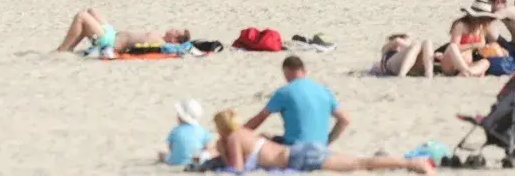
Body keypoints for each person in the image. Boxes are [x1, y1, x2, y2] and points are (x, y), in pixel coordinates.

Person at [214, 108, 432, 174]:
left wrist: (221, 151)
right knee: (360, 163)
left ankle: (412, 163)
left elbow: (237, 169)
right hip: (301, 152)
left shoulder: (233, 138)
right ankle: (411, 163)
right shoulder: (246, 133)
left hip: (298, 158)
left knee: (359, 164)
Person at [243, 56, 348, 152]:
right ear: (304, 71)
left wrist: (240, 133)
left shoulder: (284, 92)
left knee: (262, 137)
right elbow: (345, 120)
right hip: (320, 150)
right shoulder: (324, 91)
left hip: (294, 150)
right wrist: (327, 142)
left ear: (285, 72)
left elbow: (260, 118)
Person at [53, 8, 190, 58]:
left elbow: (175, 50)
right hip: (113, 33)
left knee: (81, 16)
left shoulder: (161, 43)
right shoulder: (160, 36)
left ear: (174, 40)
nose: (173, 28)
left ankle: (62, 49)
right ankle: (70, 46)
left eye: (176, 31)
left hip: (110, 42)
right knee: (91, 11)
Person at [160, 99, 213, 167]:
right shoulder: (202, 130)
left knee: (162, 155)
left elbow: (170, 147)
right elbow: (207, 147)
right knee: (211, 152)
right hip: (196, 161)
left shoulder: (175, 130)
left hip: (175, 162)